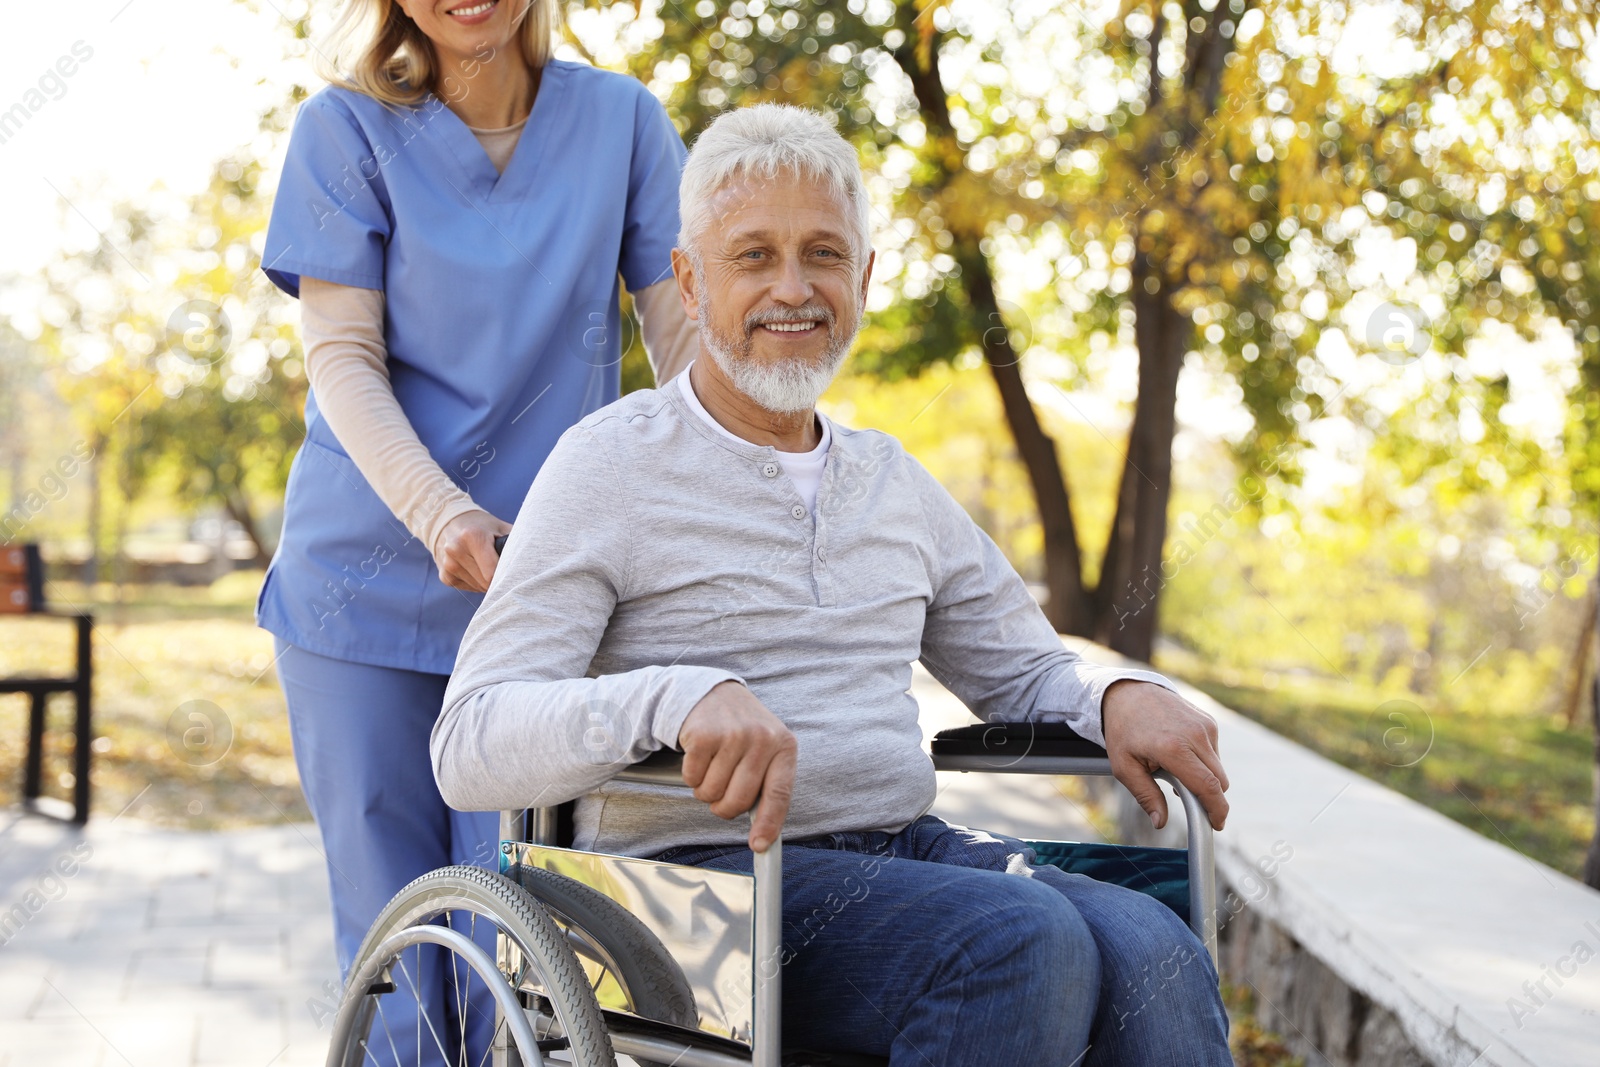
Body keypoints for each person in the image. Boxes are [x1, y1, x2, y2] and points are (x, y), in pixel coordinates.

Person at [433, 103, 1234, 1065]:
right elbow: (469, 741)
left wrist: (1116, 695)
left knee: (1153, 942)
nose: (792, 288)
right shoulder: (608, 466)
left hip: (904, 857)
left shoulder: (892, 479)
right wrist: (674, 696)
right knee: (1020, 940)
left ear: (862, 278)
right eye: (753, 256)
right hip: (683, 899)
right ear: (688, 281)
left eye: (822, 254)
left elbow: (1025, 672)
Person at [256, 0, 696, 1058]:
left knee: (527, 948)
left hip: (539, 600)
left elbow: (686, 335)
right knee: (402, 959)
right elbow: (342, 359)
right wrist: (441, 509)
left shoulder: (624, 124)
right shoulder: (345, 131)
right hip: (356, 592)